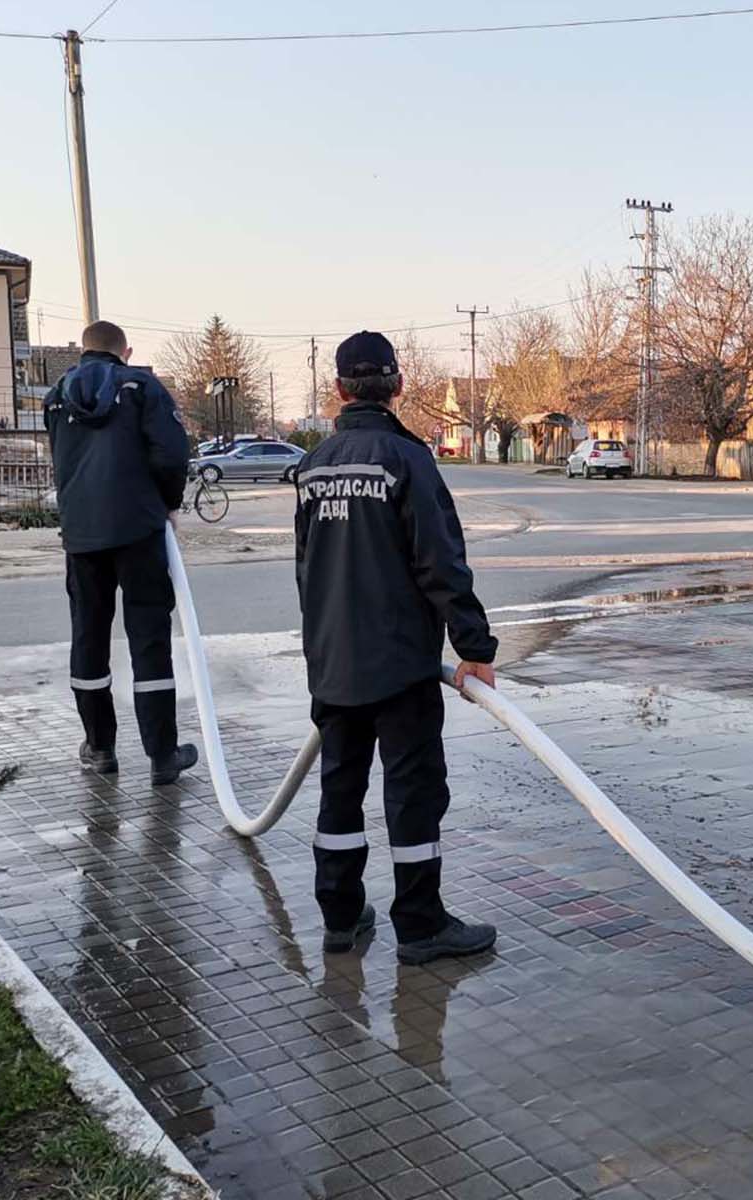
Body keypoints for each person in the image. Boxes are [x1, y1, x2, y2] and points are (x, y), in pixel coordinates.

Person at [295, 330, 499, 964]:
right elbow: (440, 562)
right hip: (400, 664)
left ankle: (339, 916)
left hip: (334, 661)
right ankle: (420, 924)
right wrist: (474, 645)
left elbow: (306, 569)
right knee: (412, 793)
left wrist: (320, 647)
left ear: (339, 389)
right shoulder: (407, 461)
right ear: (398, 386)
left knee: (340, 788)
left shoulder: (313, 466)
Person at [44, 320, 198, 786]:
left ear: (84, 351)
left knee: (88, 637)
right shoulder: (142, 388)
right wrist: (168, 503)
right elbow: (171, 453)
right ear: (125, 352)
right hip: (138, 529)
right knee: (149, 638)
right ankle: (162, 755)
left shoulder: (56, 396)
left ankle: (100, 747)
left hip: (81, 534)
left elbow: (61, 460)